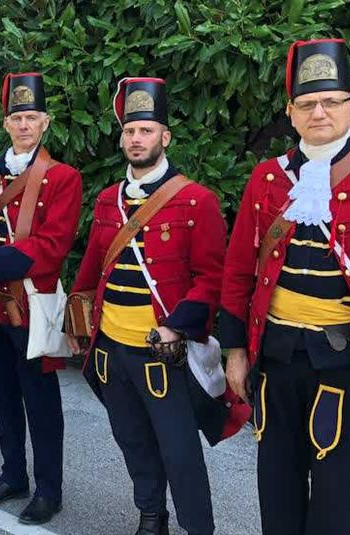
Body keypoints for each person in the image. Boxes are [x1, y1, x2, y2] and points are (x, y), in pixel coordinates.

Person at [221, 38, 350, 535]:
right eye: (307, 104)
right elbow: (239, 270)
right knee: (276, 484)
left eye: (331, 102)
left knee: (335, 495)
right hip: (275, 355)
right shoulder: (266, 178)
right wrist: (235, 351)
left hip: (346, 361)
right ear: (291, 113)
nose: (319, 112)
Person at [69, 78, 232, 535]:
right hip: (111, 347)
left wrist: (177, 327)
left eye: (146, 130)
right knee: (133, 440)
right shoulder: (108, 199)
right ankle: (151, 516)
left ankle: (199, 528)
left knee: (180, 451)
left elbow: (212, 277)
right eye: (129, 131)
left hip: (161, 350)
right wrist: (76, 320)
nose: (136, 139)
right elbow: (93, 267)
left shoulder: (197, 200)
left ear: (165, 137)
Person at [0, 72, 82, 525]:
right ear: (6, 124)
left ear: (45, 123)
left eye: (32, 118)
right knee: (2, 391)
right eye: (17, 118)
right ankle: (13, 474)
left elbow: (51, 247)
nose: (24, 126)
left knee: (40, 400)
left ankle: (48, 490)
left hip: (31, 303)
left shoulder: (63, 177)